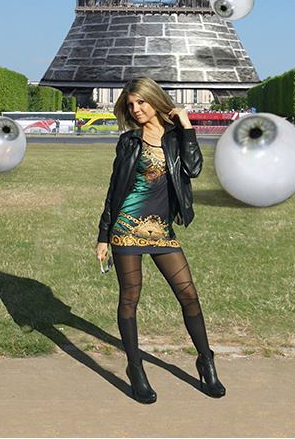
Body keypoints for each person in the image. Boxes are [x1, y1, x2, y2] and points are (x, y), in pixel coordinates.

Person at [94, 77, 225, 403]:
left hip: (162, 230)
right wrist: (103, 236)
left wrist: (186, 124)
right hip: (126, 227)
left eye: (141, 102)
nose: (136, 110)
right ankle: (135, 368)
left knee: (188, 294)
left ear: (155, 100)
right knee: (130, 298)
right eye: (131, 105)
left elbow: (193, 169)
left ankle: (205, 361)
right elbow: (115, 190)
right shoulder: (128, 142)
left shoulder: (176, 136)